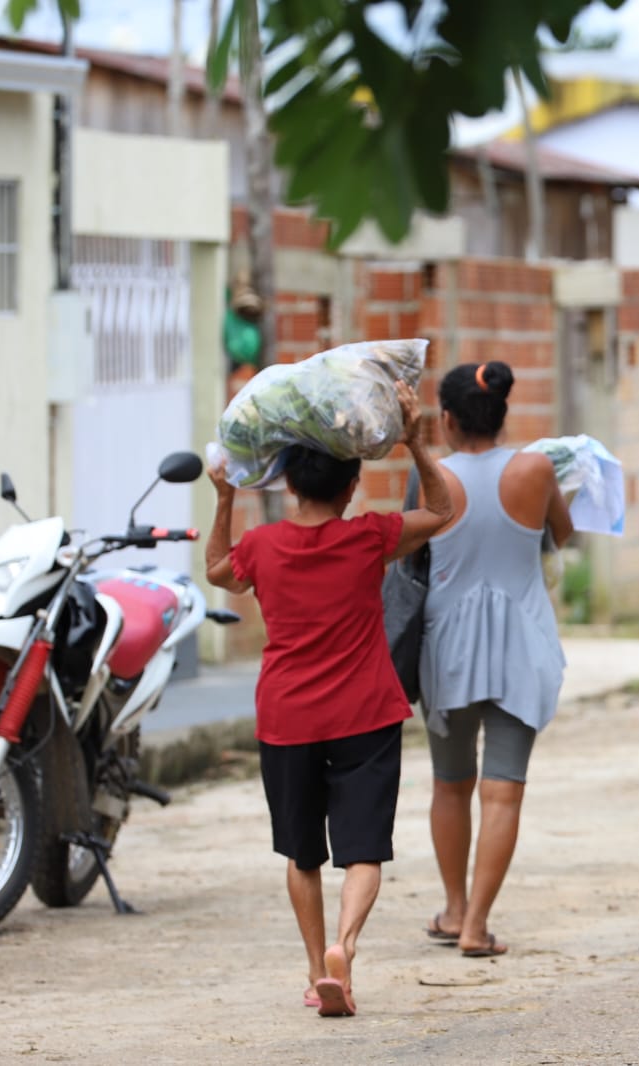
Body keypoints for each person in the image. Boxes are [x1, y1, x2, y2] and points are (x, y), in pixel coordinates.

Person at [205, 381, 452, 1018]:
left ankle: (318, 973)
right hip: (365, 712)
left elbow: (215, 571)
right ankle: (346, 945)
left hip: (287, 717)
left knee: (302, 852)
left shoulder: (260, 549)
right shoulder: (369, 536)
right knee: (363, 850)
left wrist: (226, 494)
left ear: (289, 485)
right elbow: (447, 511)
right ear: (350, 487)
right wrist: (416, 444)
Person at [420, 361, 572, 959]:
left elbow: (414, 549)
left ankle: (454, 908)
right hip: (519, 643)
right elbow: (561, 531)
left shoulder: (431, 474)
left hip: (447, 647)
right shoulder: (536, 468)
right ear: (504, 414)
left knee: (450, 783)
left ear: (448, 419)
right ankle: (478, 925)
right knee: (503, 792)